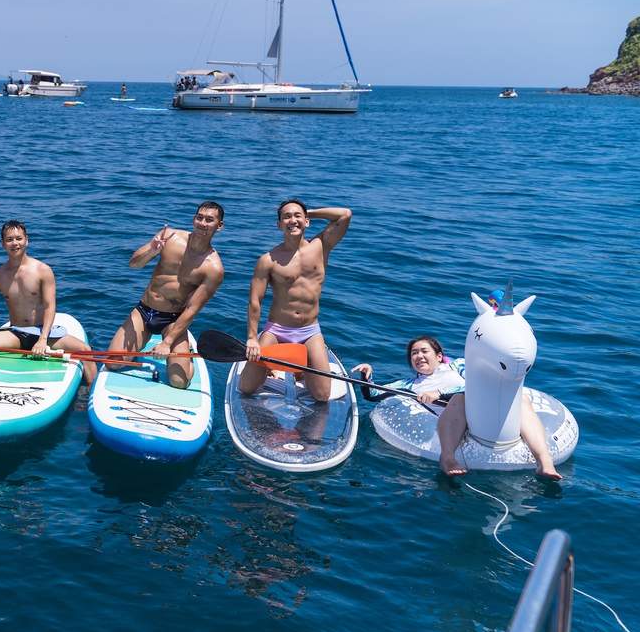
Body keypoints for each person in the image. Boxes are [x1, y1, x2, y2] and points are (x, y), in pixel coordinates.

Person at [353, 335, 561, 479]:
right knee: (458, 401)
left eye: (424, 351)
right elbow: (373, 394)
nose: (418, 356)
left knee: (521, 400)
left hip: (484, 410)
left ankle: (544, 462)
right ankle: (448, 458)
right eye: (414, 354)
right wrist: (367, 375)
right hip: (456, 423)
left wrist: (440, 394)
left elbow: (478, 382)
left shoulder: (458, 365)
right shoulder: (408, 385)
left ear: (439, 356)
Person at [0, 220, 97, 383]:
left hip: (44, 333)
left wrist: (42, 339)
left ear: (27, 240)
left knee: (85, 350)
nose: (15, 243)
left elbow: (50, 306)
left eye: (19, 238)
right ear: (3, 244)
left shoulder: (43, 270)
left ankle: (88, 392)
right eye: (9, 239)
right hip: (17, 332)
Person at [104, 201, 226, 389]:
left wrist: (167, 343)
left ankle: (186, 354)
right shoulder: (170, 237)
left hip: (173, 320)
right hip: (144, 311)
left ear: (219, 226)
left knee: (179, 383)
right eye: (199, 217)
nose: (202, 223)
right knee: (113, 363)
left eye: (209, 220)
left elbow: (193, 309)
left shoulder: (213, 268)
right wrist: (151, 251)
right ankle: (144, 341)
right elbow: (134, 264)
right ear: (194, 219)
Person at [239, 199, 352, 402]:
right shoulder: (268, 260)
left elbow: (344, 214)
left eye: (297, 216)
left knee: (322, 396)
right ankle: (281, 368)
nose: (292, 220)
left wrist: (307, 212)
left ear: (307, 221)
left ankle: (300, 370)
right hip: (276, 330)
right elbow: (255, 301)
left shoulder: (321, 246)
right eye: (286, 217)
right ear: (279, 224)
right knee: (246, 387)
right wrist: (252, 338)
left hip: (309, 331)